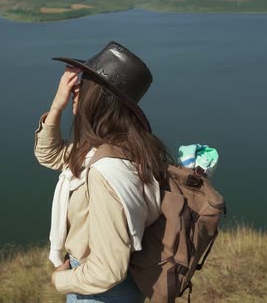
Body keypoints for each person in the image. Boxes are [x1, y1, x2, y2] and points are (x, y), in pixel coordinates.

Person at [34, 41, 172, 302]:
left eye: (84, 84)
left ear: (99, 98)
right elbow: (50, 155)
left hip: (101, 293)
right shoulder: (124, 146)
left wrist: (60, 280)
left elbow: (107, 270)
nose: (76, 89)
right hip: (117, 286)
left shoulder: (105, 170)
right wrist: (56, 107)